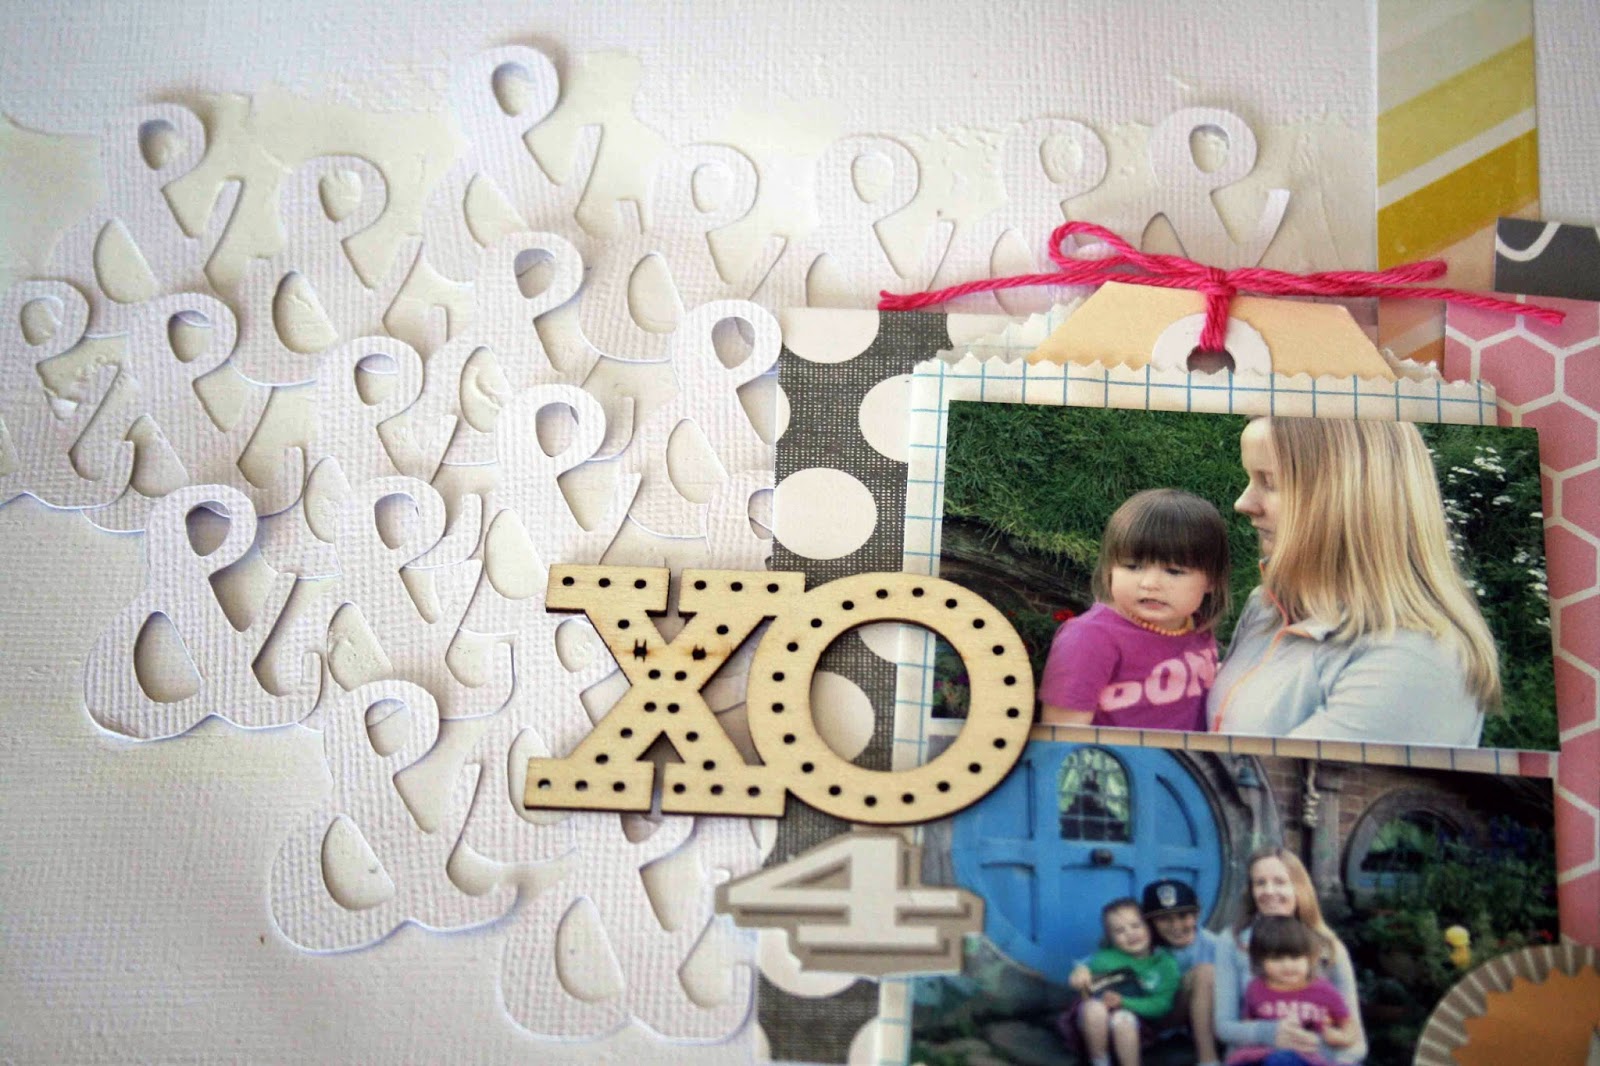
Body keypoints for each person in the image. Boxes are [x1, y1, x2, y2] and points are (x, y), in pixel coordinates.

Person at [1208, 416, 1500, 746]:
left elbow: (1260, 779)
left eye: (1270, 482)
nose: (1243, 503)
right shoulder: (1266, 606)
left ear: (1350, 497)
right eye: (1251, 478)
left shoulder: (1412, 661)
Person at [1039, 488, 1230, 730]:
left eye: (1174, 571)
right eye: (1132, 566)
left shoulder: (1197, 627)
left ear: (1212, 580)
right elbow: (1062, 734)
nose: (1149, 584)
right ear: (1109, 569)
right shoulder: (1090, 638)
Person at [1215, 848, 1366, 1064]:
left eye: (1280, 882)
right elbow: (1224, 1027)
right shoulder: (1231, 941)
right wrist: (1270, 1033)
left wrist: (1324, 1053)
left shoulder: (1329, 947)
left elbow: (1356, 1041)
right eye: (1260, 883)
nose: (1269, 891)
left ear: (1298, 887)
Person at [1060, 897, 1182, 1066]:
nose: (1130, 934)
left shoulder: (1165, 963)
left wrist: (1123, 1002)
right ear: (1110, 938)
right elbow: (1083, 971)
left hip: (1135, 1026)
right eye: (1119, 931)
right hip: (1093, 1026)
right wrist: (1080, 973)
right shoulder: (1105, 958)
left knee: (1123, 1019)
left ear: (1149, 926)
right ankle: (1099, 1061)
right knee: (1094, 1008)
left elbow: (1162, 1005)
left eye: (1136, 926)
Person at [1225, 915, 1359, 1066]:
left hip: (1309, 1056)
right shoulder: (1256, 989)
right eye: (1277, 959)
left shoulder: (1323, 991)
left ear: (1310, 958)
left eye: (1296, 957)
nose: (1287, 966)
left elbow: (1348, 1025)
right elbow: (1248, 1025)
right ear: (1260, 961)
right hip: (1265, 1054)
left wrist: (1340, 1037)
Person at [1142, 878, 1223, 1066]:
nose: (1176, 926)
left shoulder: (1215, 944)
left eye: (1183, 916)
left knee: (1205, 973)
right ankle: (1208, 1060)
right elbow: (1098, 962)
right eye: (1164, 919)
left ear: (1197, 914)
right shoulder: (1144, 945)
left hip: (1210, 1020)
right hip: (1163, 1018)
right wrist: (1083, 971)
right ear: (1150, 922)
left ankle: (1208, 1058)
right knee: (1203, 973)